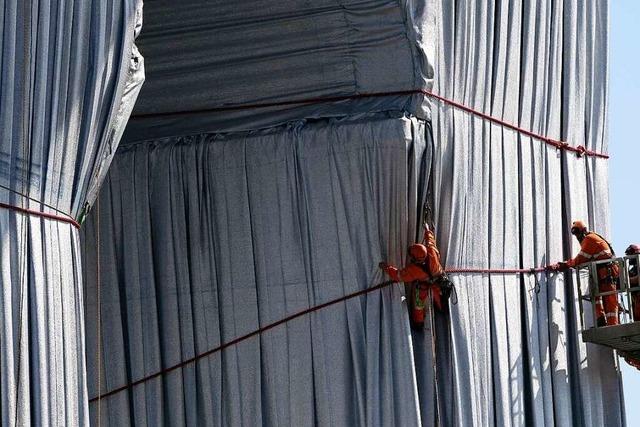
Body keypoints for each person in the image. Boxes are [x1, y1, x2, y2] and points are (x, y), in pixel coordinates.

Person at [379, 226, 452, 329]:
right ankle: (442, 309)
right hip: (440, 281)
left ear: (415, 258)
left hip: (424, 285)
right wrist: (427, 229)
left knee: (419, 303)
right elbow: (430, 240)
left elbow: (398, 275)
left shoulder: (414, 270)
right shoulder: (431, 251)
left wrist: (386, 267)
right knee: (440, 297)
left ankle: (419, 323)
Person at [552, 220, 619, 327]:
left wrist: (563, 265)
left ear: (583, 231)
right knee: (596, 296)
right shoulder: (590, 238)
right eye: (575, 234)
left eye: (577, 233)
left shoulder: (589, 239)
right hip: (601, 271)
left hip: (607, 271)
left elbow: (580, 260)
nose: (577, 237)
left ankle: (613, 326)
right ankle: (601, 320)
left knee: (610, 300)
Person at [626, 244, 640, 320]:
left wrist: (627, 280)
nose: (629, 258)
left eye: (630, 255)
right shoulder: (633, 269)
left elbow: (638, 279)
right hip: (635, 300)